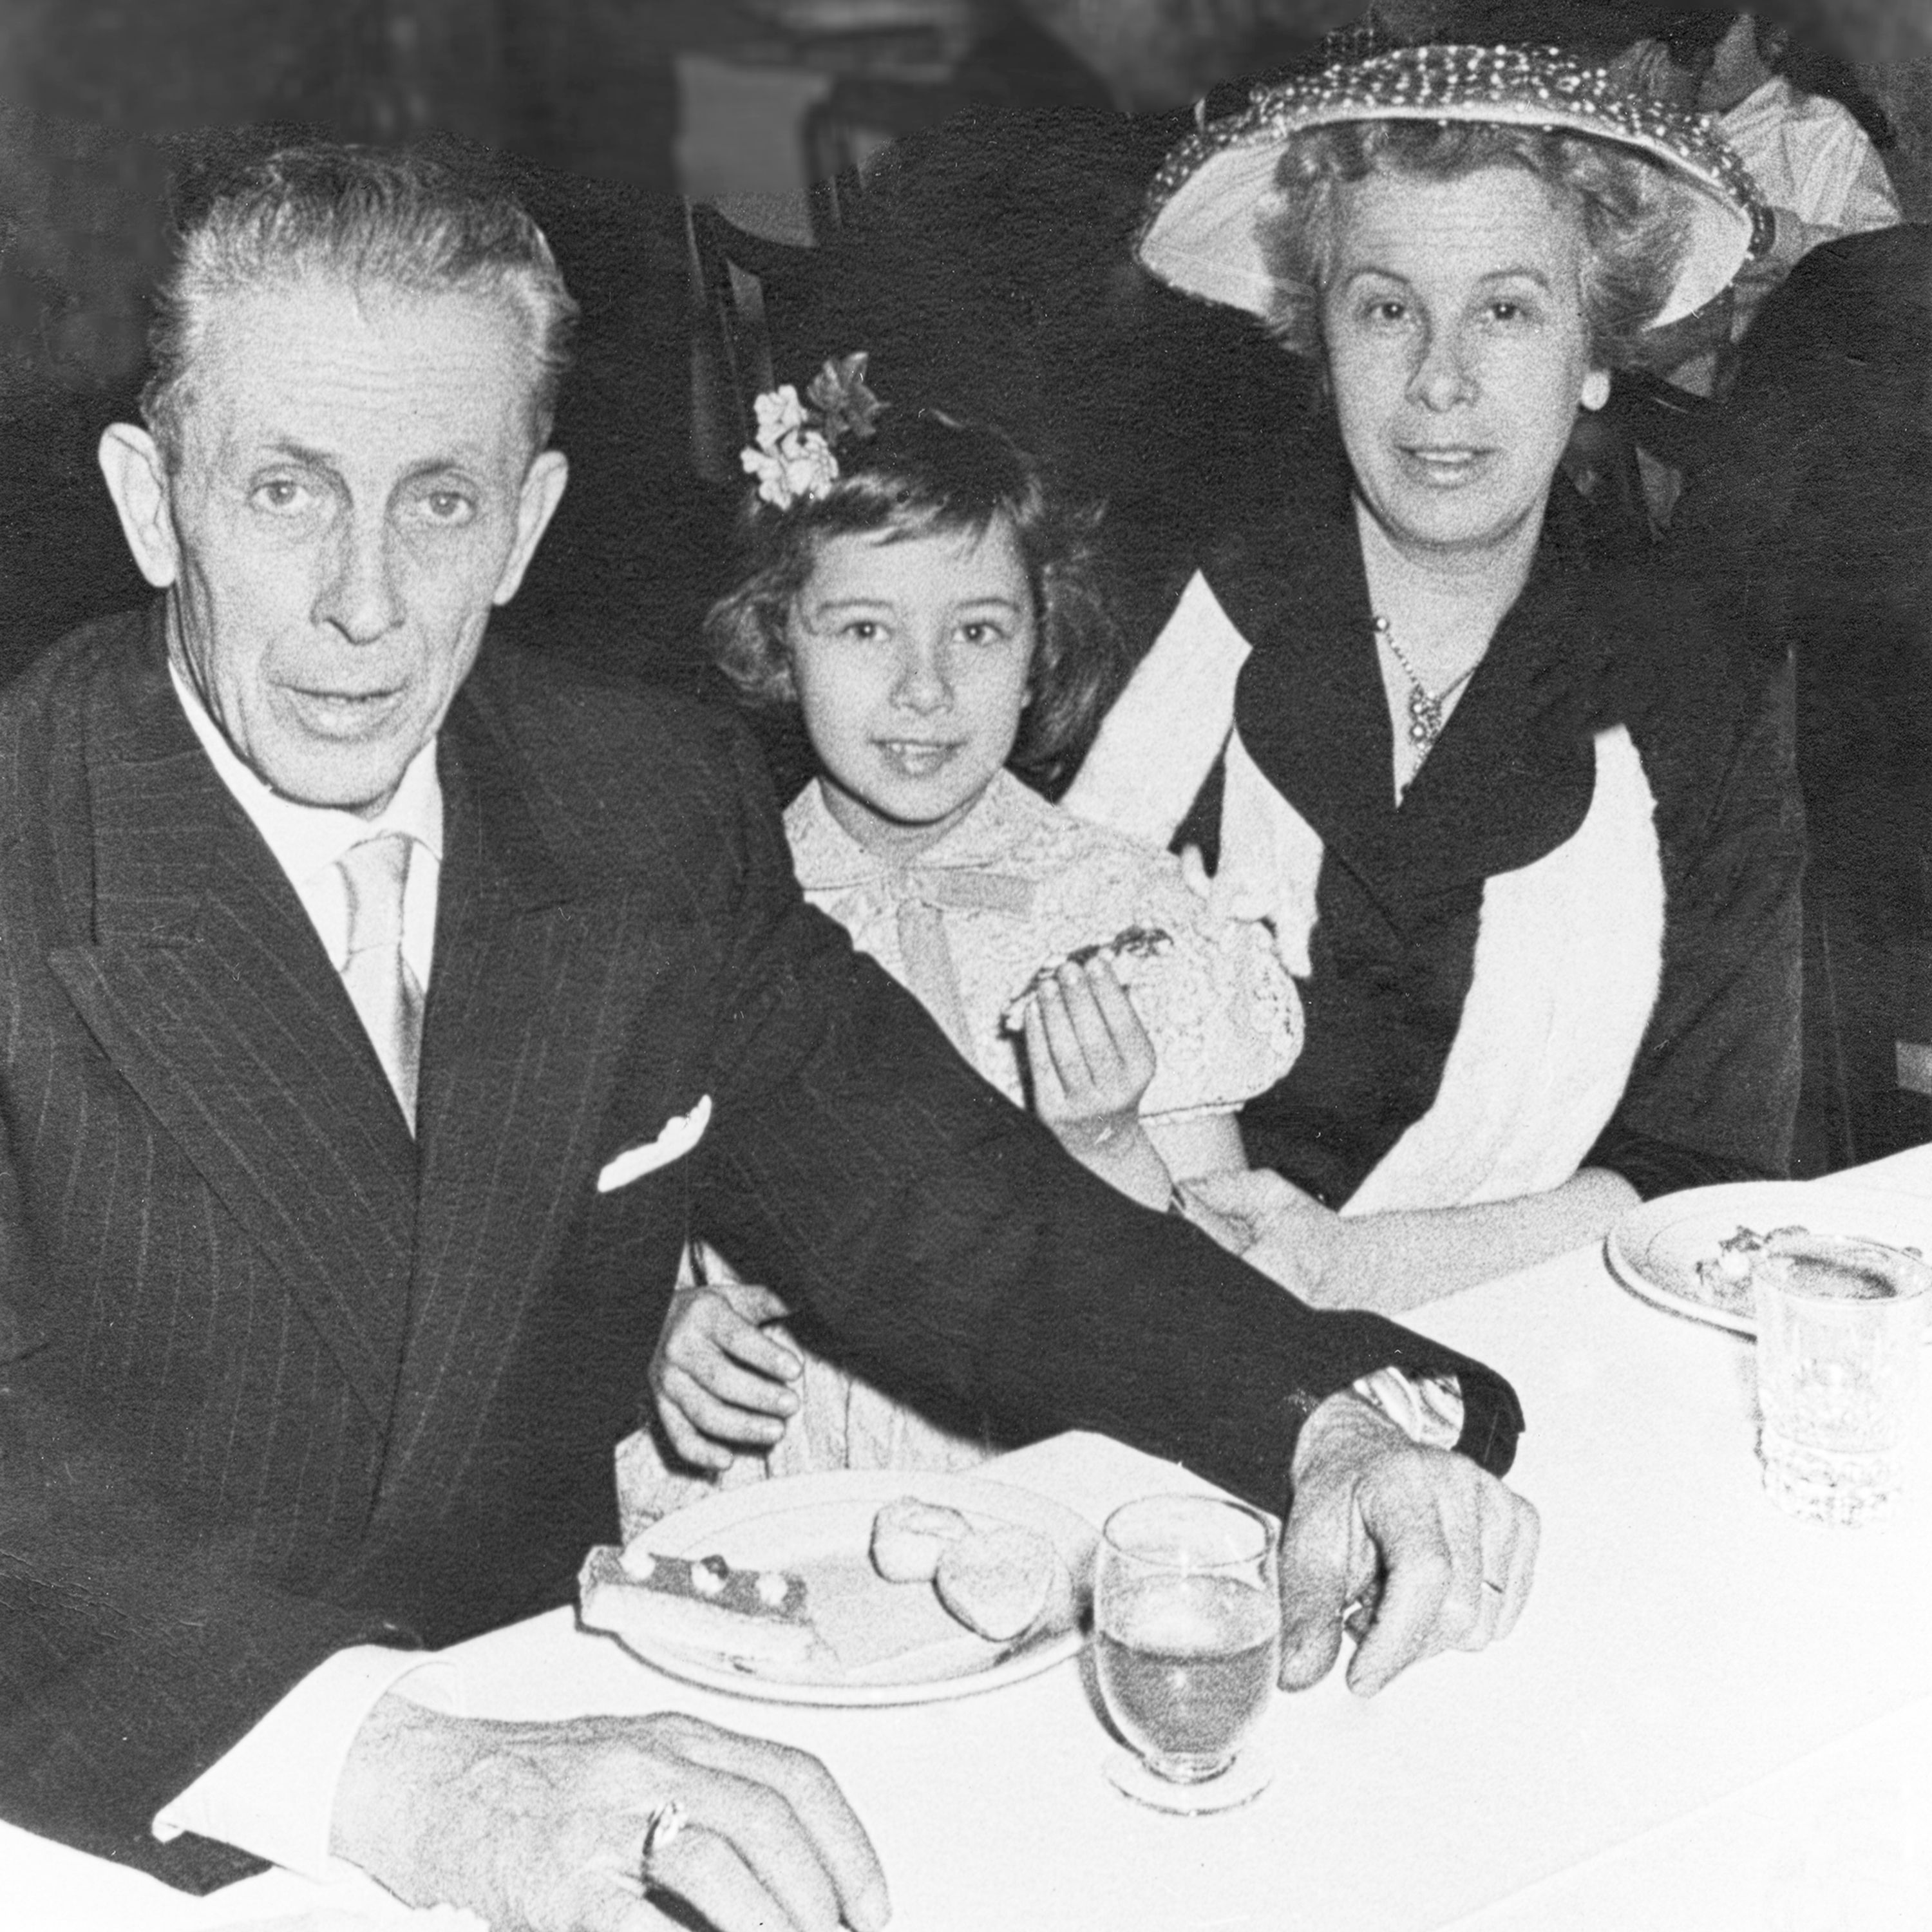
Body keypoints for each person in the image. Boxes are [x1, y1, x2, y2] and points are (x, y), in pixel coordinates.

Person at [0, 142, 1537, 1931]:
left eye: (437, 503)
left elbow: (939, 1208)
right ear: (147, 499)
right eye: (283, 492)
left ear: (530, 519)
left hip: (582, 1752)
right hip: (121, 1806)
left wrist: (1318, 1424)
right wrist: (396, 1773)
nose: (363, 603)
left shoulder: (637, 801)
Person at [1063, 45, 1804, 1316]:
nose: (1440, 380)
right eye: (1387, 307)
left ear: (1594, 353)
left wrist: (1359, 1271)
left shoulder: (1698, 696)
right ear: (1322, 339)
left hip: (1548, 1358)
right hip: (1134, 1340)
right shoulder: (1154, 620)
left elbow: (1705, 1171)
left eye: (1508, 309)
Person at [635, 385, 1299, 1500]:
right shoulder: (696, 914)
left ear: (1043, 647)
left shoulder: (1123, 915)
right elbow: (597, 1239)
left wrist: (1104, 1144)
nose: (925, 689)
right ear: (774, 640)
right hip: (775, 1497)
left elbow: (1226, 1290)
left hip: (1049, 1488)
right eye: (863, 629)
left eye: (979, 630)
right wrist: (659, 1327)